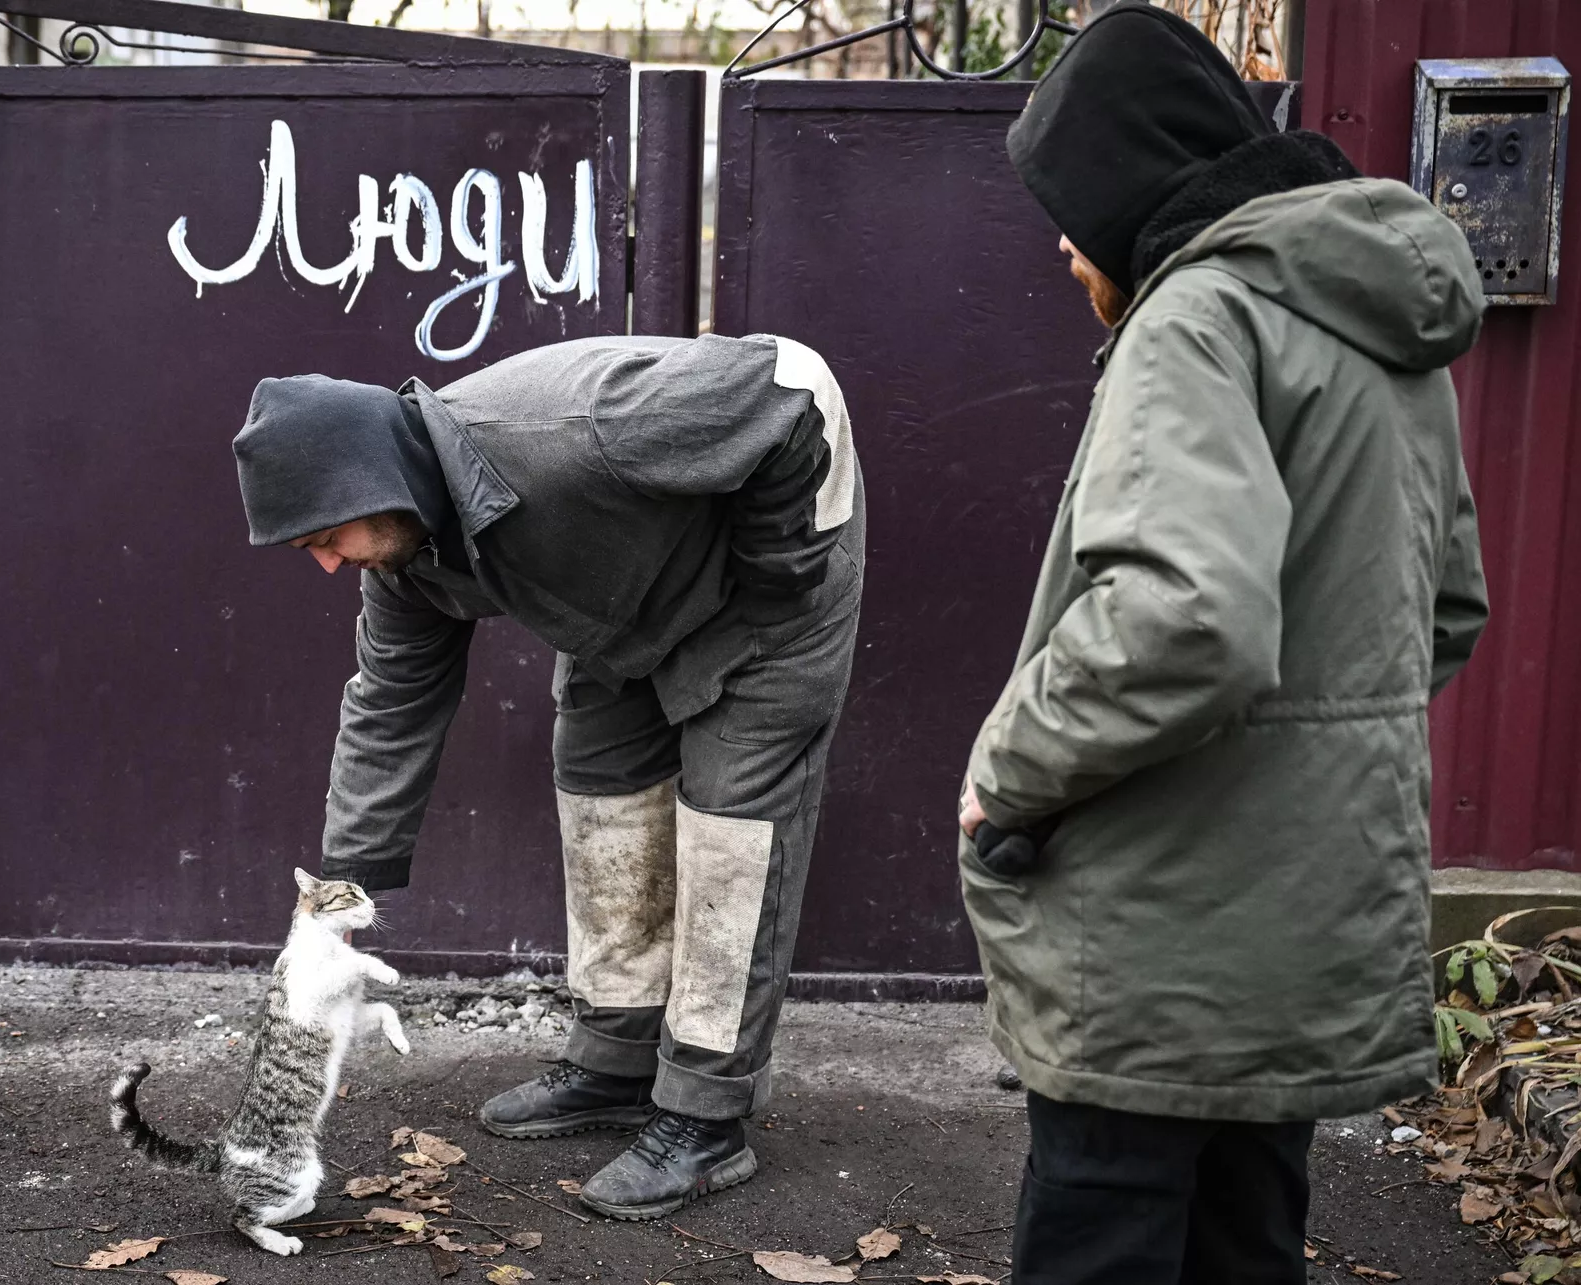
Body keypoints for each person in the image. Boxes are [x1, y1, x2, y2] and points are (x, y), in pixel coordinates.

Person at [956, 5, 1489, 1283]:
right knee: (1246, 1241)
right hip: (1309, 916)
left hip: (1161, 932)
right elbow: (1446, 607)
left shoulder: (1194, 317)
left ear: (1130, 194)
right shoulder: (1379, 325)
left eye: (1069, 214)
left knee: (1107, 1234)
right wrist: (1296, 759)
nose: (1067, 251)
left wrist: (1006, 768)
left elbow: (1183, 616)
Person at [231, 333, 863, 1220]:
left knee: (733, 840)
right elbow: (388, 705)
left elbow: (791, 388)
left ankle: (705, 1121)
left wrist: (771, 569)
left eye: (327, 537)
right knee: (600, 796)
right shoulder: (407, 555)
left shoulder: (583, 424)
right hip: (617, 612)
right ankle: (616, 1060)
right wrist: (342, 891)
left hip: (759, 609)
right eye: (310, 550)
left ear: (377, 480)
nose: (330, 563)